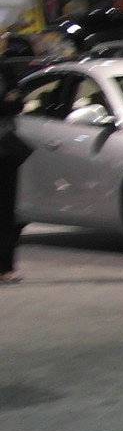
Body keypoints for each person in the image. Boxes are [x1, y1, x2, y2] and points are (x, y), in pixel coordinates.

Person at [0, 85, 28, 283]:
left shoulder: (5, 71)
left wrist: (11, 103)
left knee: (5, 212)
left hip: (5, 152)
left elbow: (17, 103)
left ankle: (5, 267)